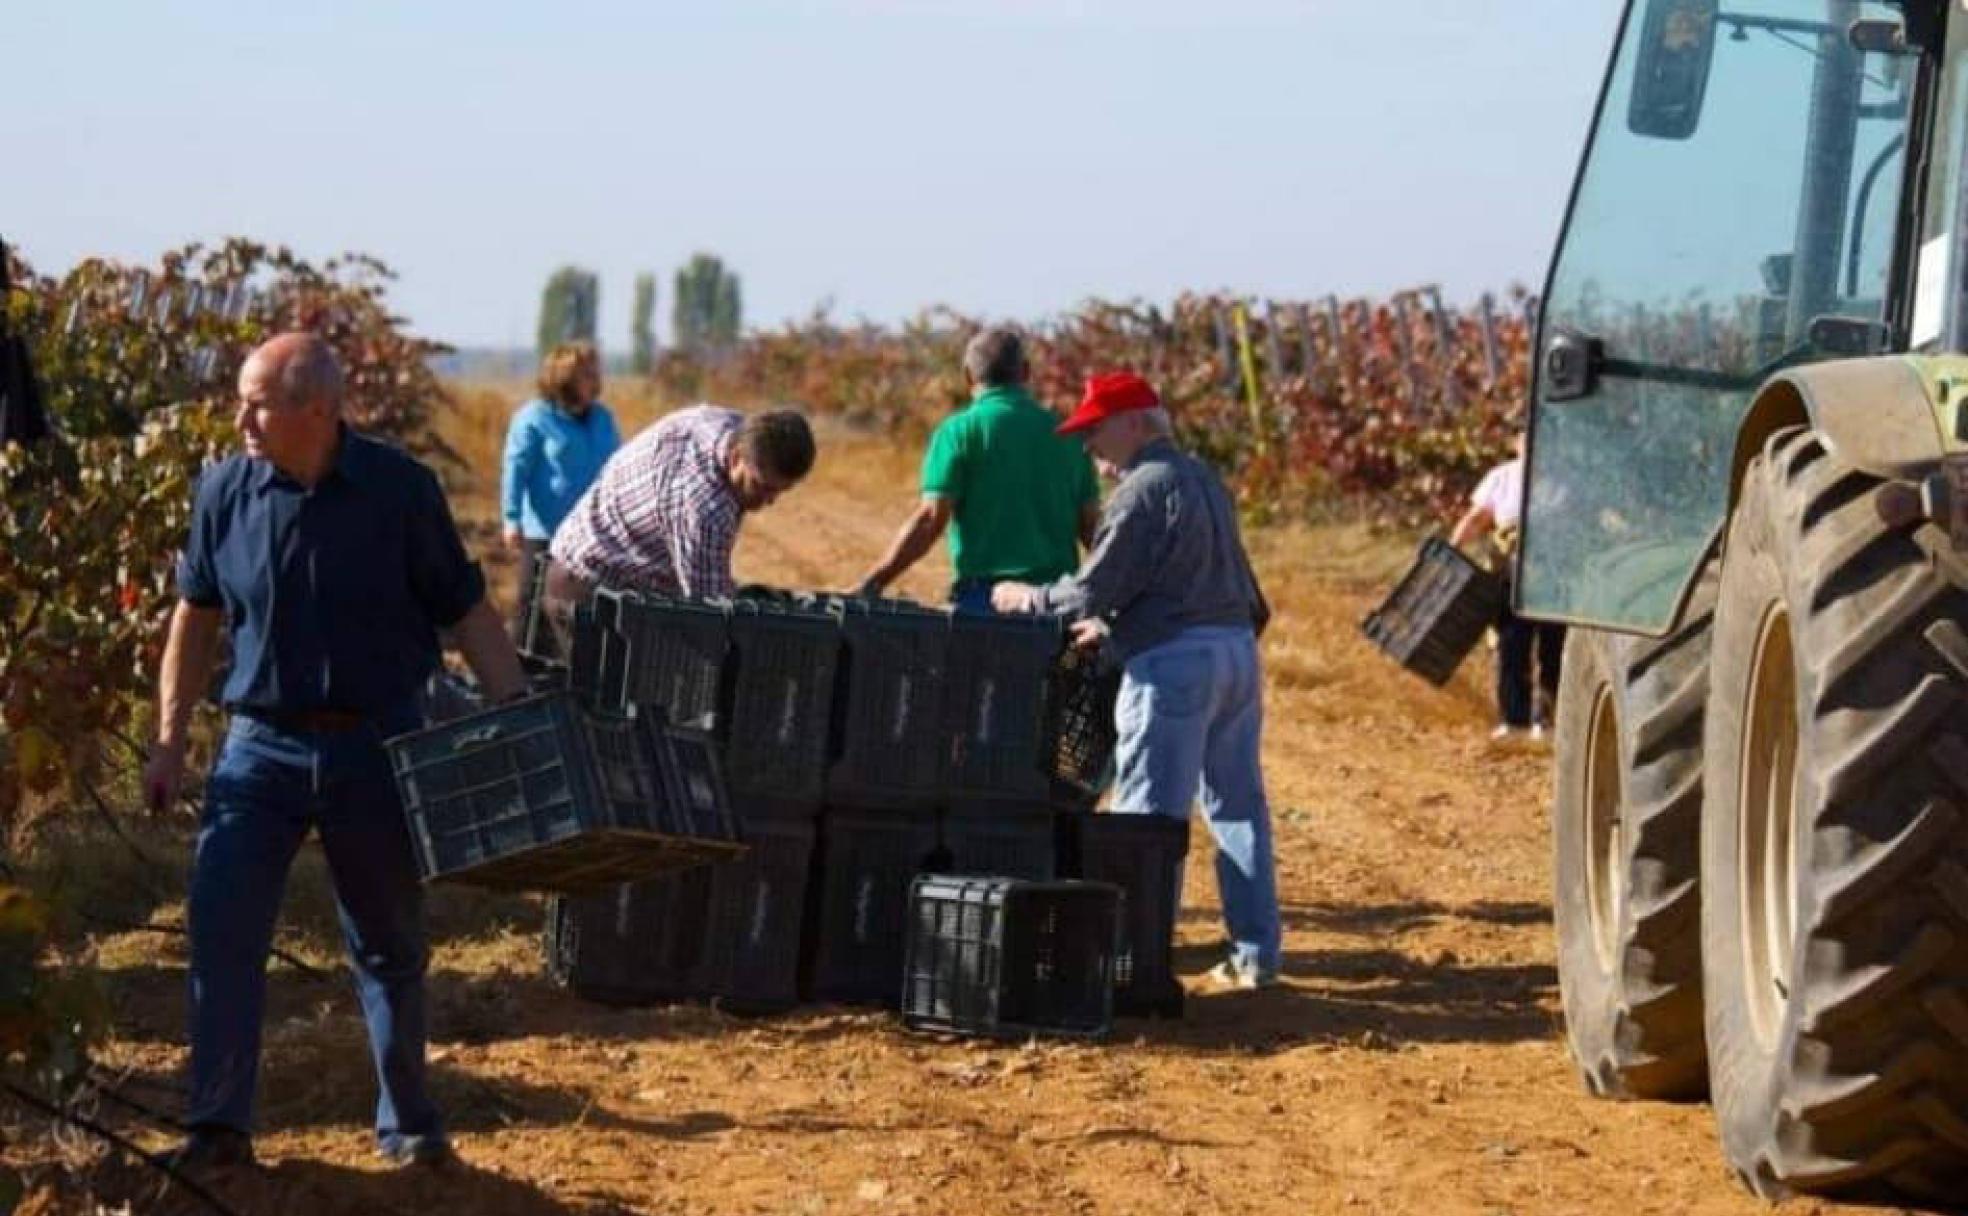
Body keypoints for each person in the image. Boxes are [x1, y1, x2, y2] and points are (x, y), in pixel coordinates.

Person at [142, 333, 526, 1172]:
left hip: (376, 745)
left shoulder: (399, 491)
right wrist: (169, 739)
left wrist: (520, 713)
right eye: (240, 398)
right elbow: (195, 615)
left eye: (258, 401)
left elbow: (464, 609)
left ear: (319, 410)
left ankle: (410, 1127)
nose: (240, 416)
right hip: (259, 746)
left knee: (387, 941)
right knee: (223, 930)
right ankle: (217, 1128)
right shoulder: (224, 492)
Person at [991, 372, 1280, 990]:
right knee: (1238, 809)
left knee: (1145, 822)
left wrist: (1025, 598)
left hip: (1175, 667)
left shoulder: (1140, 490)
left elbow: (1089, 592)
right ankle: (1257, 957)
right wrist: (1120, 633)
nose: (1089, 447)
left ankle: (1130, 963)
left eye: (1095, 431)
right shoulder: (1205, 481)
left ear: (1135, 423)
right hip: (1234, 656)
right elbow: (1233, 595)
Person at [856, 327, 1098, 609]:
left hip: (983, 602)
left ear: (968, 377)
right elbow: (1091, 529)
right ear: (1025, 372)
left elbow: (930, 520)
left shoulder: (958, 432)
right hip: (1053, 599)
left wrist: (872, 583)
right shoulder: (1067, 435)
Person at [541, 405, 815, 641]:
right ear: (735, 458)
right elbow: (710, 612)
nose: (769, 500)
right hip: (589, 590)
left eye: (780, 491)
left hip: (590, 563)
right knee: (605, 697)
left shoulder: (724, 424)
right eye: (761, 486)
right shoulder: (705, 507)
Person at [499, 341, 620, 647]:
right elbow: (516, 470)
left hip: (591, 533)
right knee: (532, 604)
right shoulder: (534, 418)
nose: (595, 378)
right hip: (544, 530)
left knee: (577, 609)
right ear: (564, 377)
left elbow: (618, 466)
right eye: (586, 373)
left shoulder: (602, 418)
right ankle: (517, 678)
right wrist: (511, 519)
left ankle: (570, 676)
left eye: (595, 371)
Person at [1449, 431, 1563, 741]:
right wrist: (1452, 549)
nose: (1533, 444)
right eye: (1526, 438)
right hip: (1511, 577)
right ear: (1516, 444)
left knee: (1554, 647)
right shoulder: (1501, 478)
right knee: (1512, 645)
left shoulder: (1564, 477)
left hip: (1555, 578)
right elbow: (1477, 518)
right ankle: (1515, 721)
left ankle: (1549, 721)